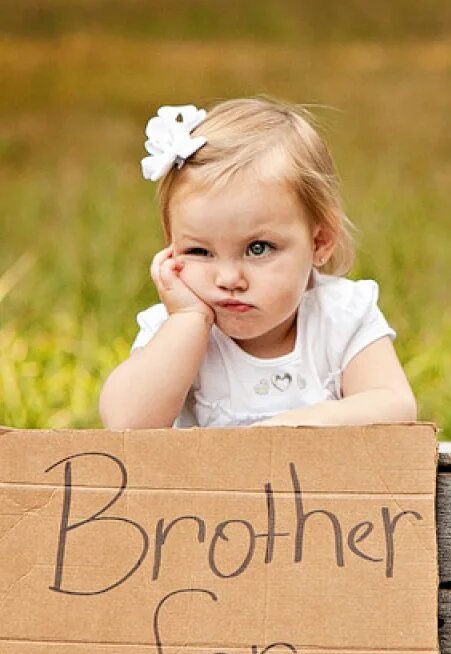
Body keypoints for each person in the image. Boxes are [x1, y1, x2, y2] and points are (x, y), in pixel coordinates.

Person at [100, 99, 417, 429]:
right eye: (199, 251)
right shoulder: (174, 329)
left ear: (319, 241)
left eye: (257, 248)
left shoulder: (339, 316)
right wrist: (188, 321)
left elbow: (395, 404)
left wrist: (304, 423)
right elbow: (125, 425)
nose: (228, 278)